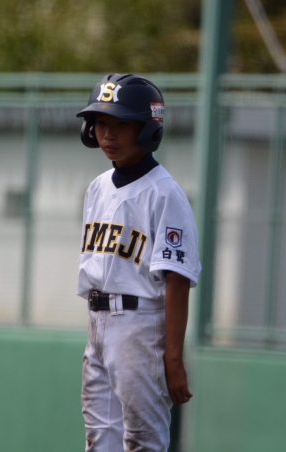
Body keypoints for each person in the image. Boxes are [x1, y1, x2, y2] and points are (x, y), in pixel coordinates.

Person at [75, 73, 202, 452]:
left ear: (148, 129)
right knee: (100, 439)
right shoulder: (98, 187)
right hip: (98, 322)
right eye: (100, 123)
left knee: (143, 442)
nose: (108, 134)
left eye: (121, 124)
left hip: (140, 325)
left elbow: (177, 279)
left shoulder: (165, 193)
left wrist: (173, 356)